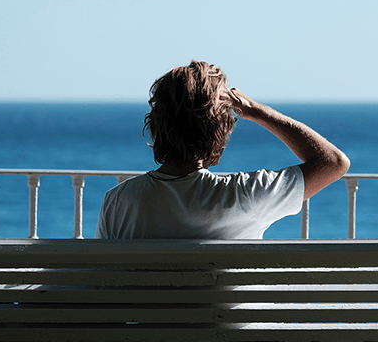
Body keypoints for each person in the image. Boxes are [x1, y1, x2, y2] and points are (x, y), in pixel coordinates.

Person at [95, 60, 350, 239]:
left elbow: (103, 280)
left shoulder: (118, 201)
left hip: (151, 319)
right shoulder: (245, 195)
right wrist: (259, 112)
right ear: (219, 130)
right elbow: (334, 163)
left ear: (156, 124)